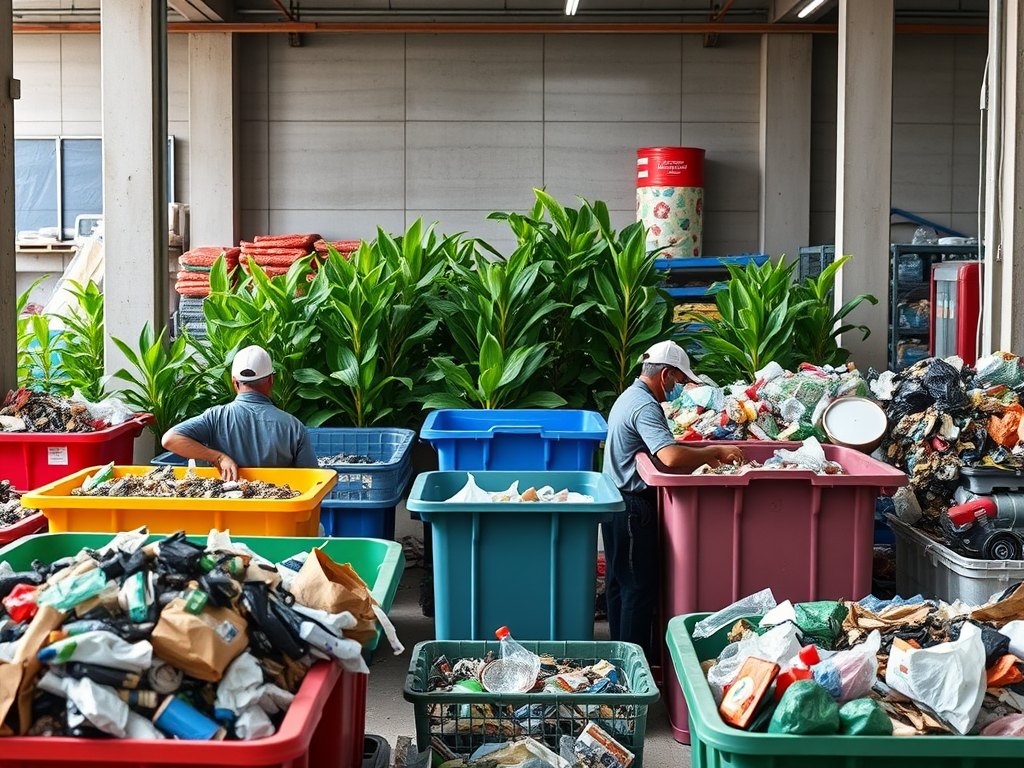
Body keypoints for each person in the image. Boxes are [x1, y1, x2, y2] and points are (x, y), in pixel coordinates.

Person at [602, 339, 744, 658]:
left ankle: (619, 658)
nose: (679, 387)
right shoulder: (644, 405)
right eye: (679, 381)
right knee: (637, 590)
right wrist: (716, 451)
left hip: (616, 503)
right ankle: (633, 667)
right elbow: (669, 455)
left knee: (620, 586)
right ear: (665, 374)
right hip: (631, 508)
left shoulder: (629, 397)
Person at [162, 345, 318, 480]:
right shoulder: (293, 426)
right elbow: (311, 478)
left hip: (226, 512)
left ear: (234, 382)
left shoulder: (215, 418)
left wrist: (218, 457)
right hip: (274, 512)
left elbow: (170, 439)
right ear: (271, 380)